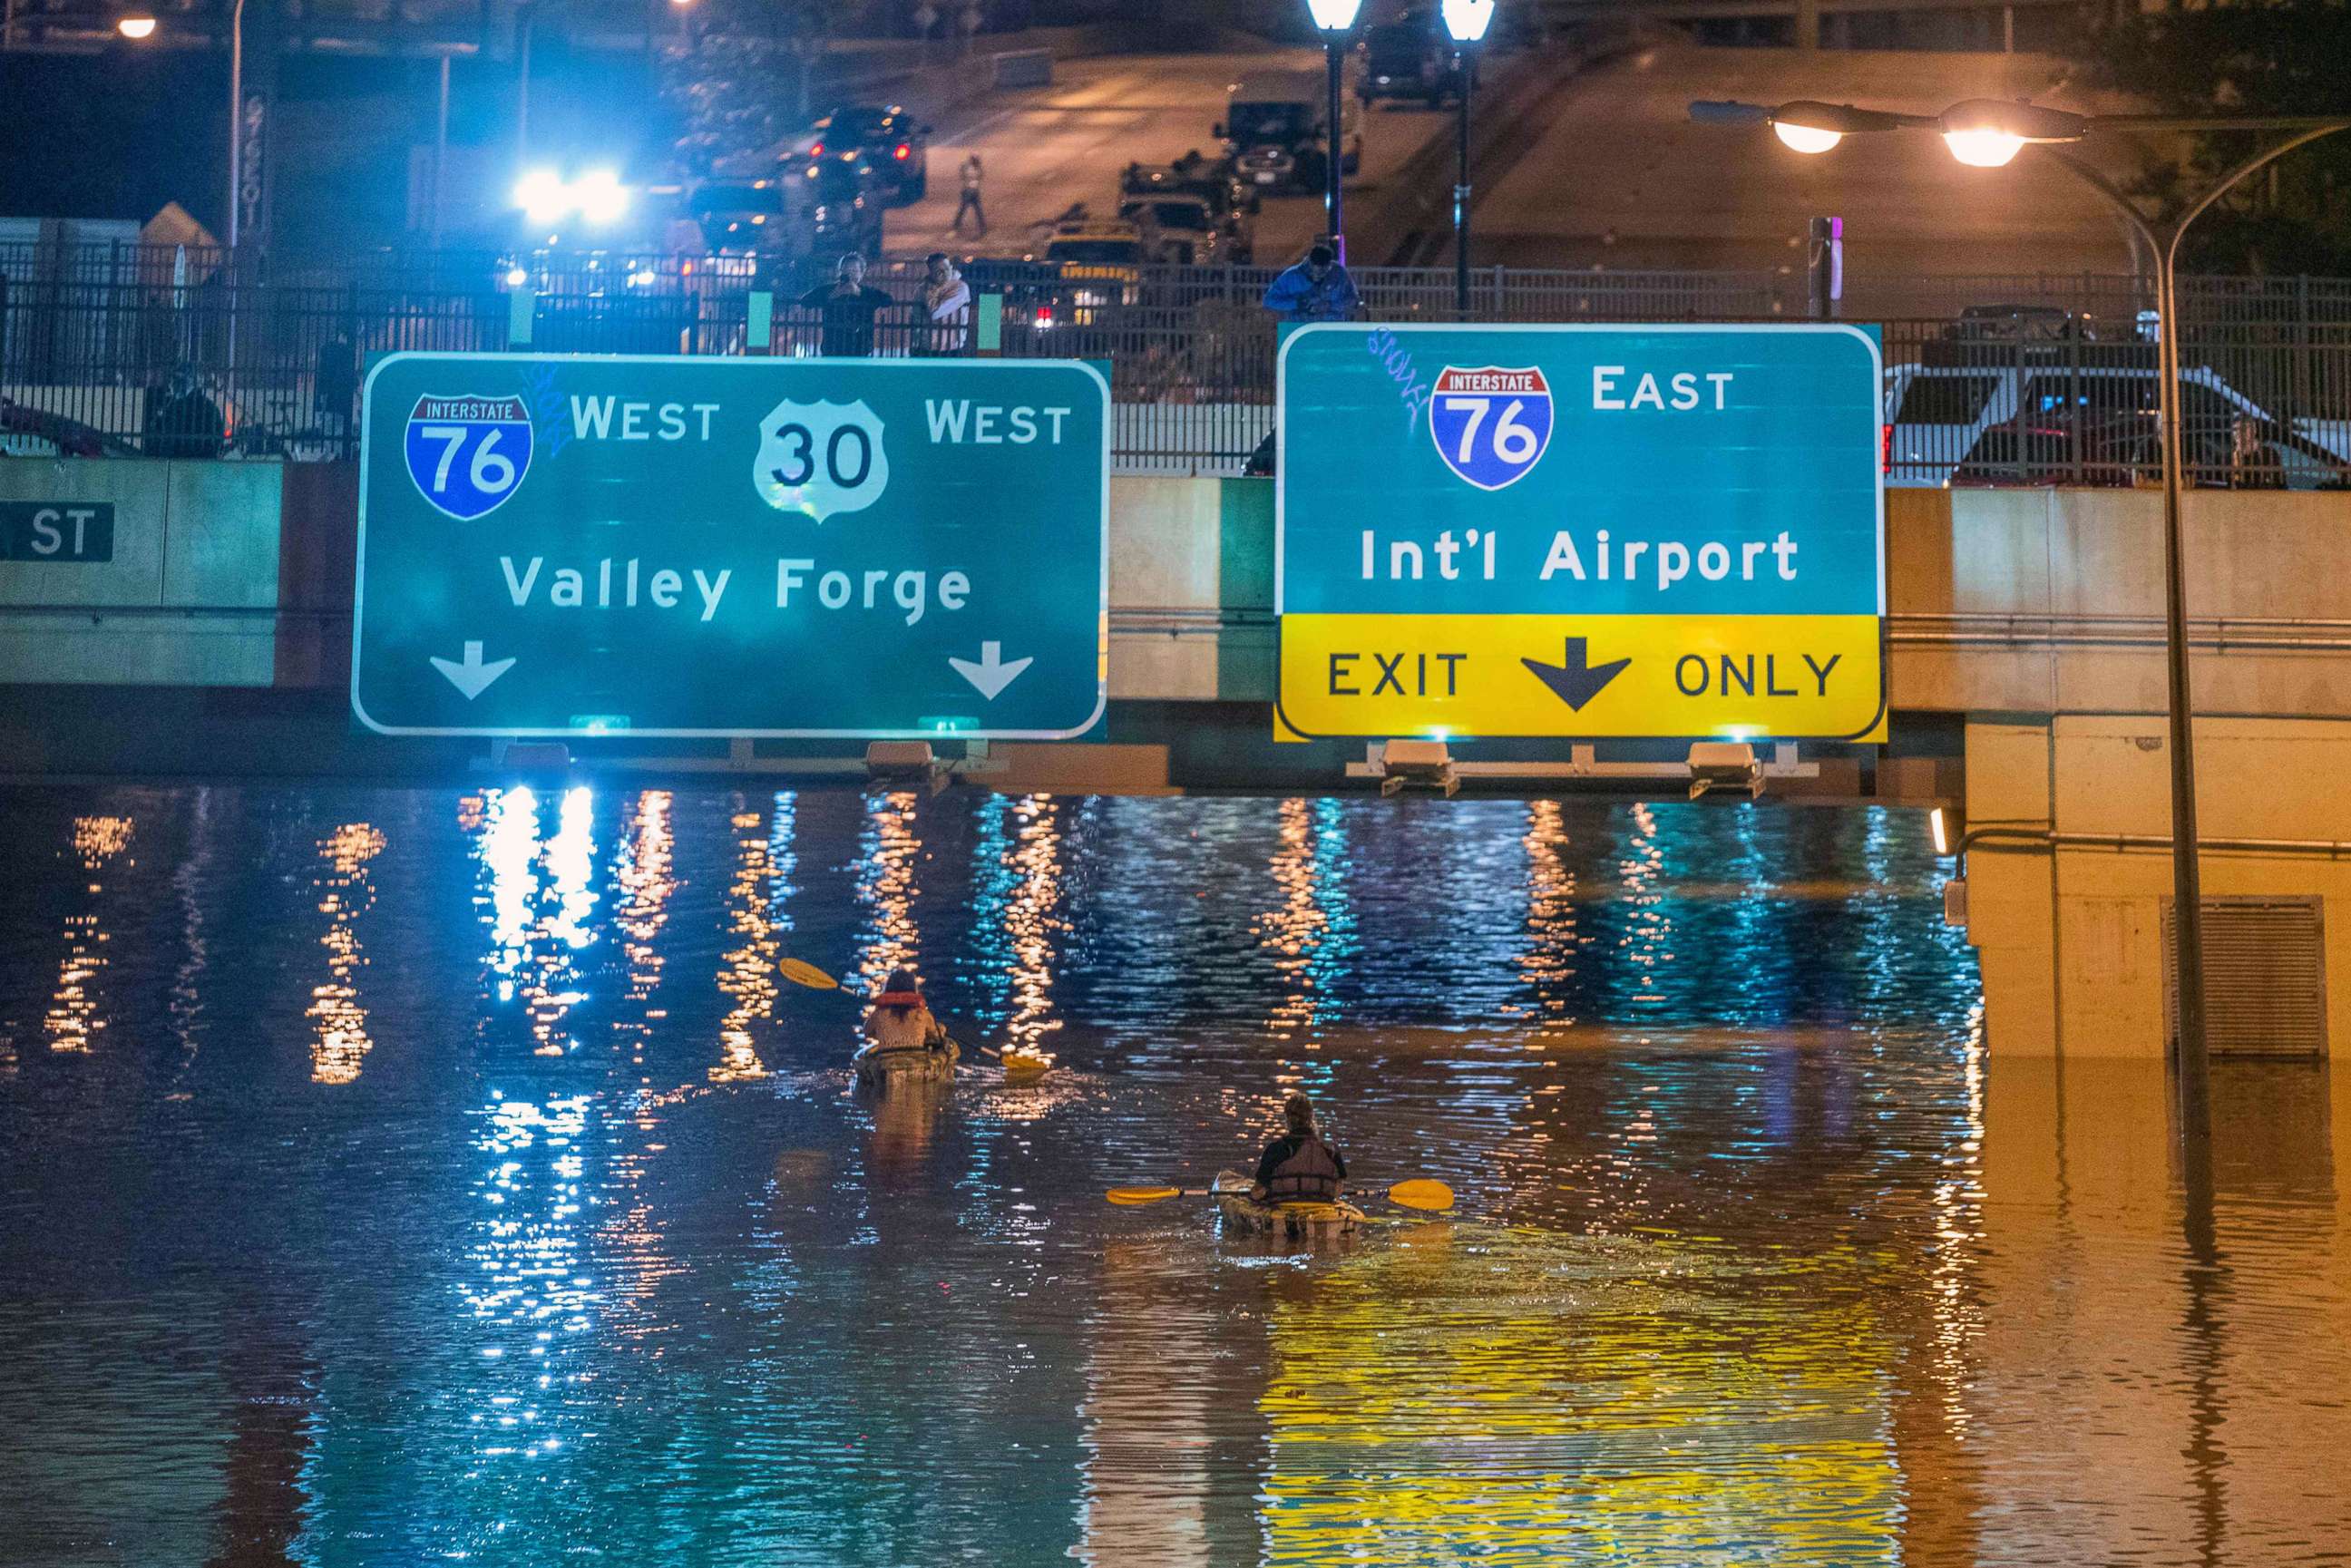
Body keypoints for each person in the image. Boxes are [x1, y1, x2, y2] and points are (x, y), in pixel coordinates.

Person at [1250, 1092, 1347, 1203]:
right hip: (1322, 1205)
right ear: (1311, 1117)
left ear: (1287, 1118)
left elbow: (1258, 1192)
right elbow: (1338, 1190)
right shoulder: (1331, 1150)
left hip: (1283, 1207)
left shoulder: (1276, 1149)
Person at [795, 254, 897, 356]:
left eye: (854, 271)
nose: (850, 275)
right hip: (832, 346)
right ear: (840, 272)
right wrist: (833, 295)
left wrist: (859, 293)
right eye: (846, 271)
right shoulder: (829, 290)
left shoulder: (867, 292)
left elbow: (888, 301)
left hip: (861, 347)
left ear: (861, 274)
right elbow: (805, 302)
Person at [862, 968, 951, 1058]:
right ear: (913, 988)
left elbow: (867, 1032)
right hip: (916, 1064)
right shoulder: (922, 1014)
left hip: (886, 1065)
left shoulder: (879, 1014)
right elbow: (935, 1035)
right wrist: (941, 1028)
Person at [1262, 242, 1359, 324]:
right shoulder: (1292, 276)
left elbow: (1353, 299)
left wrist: (1330, 306)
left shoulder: (1340, 274)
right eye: (1314, 272)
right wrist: (1299, 304)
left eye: (1323, 272)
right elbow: (1269, 301)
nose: (1318, 276)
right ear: (1310, 263)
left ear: (1329, 265)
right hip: (1300, 330)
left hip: (1332, 330)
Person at [919, 251, 971, 355]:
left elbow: (935, 311)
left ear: (951, 267)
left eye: (946, 269)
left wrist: (933, 287)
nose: (944, 273)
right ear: (931, 272)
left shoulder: (960, 287)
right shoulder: (923, 288)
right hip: (926, 346)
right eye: (938, 271)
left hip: (951, 347)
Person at [951, 153, 987, 236]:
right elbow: (964, 175)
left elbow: (980, 176)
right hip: (968, 191)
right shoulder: (969, 168)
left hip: (974, 191)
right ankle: (957, 224)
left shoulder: (975, 168)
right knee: (966, 208)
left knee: (976, 209)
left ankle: (981, 225)